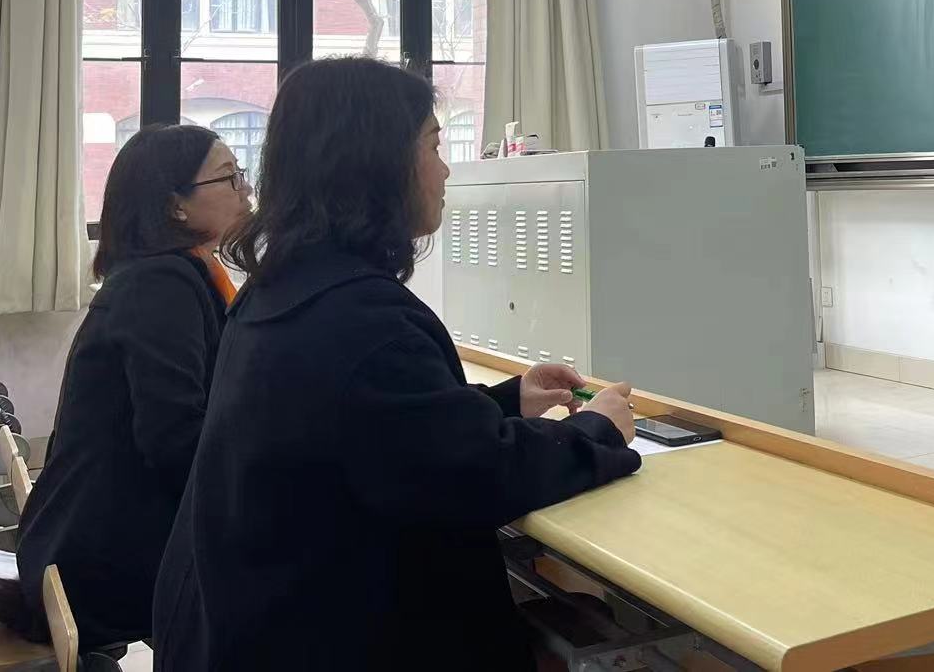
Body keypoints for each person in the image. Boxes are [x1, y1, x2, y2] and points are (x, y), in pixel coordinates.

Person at [152, 58, 640, 671]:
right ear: (378, 164)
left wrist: (507, 401)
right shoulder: (363, 322)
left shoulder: (284, 291)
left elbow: (374, 432)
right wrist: (598, 429)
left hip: (256, 629)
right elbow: (477, 479)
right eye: (433, 146)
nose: (445, 169)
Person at [17, 125, 251, 650]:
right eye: (229, 177)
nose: (245, 189)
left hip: (95, 537)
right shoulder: (161, 283)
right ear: (175, 206)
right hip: (101, 556)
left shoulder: (178, 274)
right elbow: (174, 437)